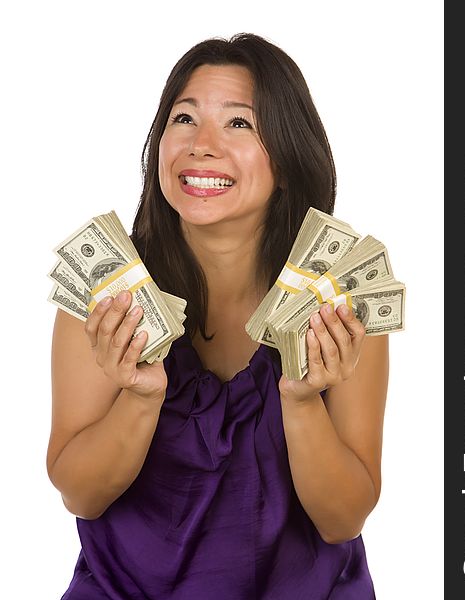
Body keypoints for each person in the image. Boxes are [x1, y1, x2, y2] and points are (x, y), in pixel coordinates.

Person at [47, 33, 389, 599]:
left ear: (286, 156)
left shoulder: (338, 302)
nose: (201, 145)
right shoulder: (108, 296)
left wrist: (302, 402)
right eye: (184, 118)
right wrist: (138, 395)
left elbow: (343, 518)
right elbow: (80, 495)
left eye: (239, 124)